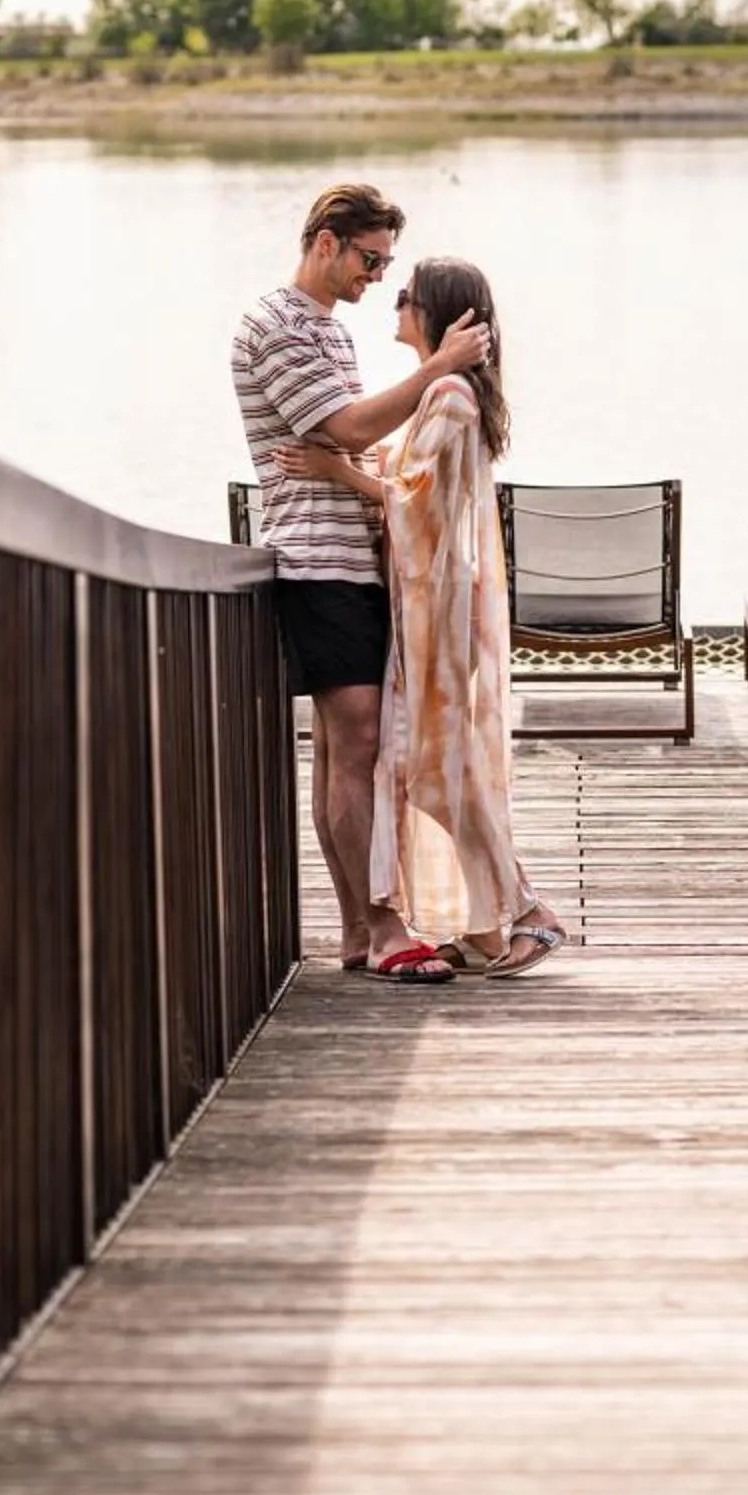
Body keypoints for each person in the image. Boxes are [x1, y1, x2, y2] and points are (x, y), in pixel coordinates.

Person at [279, 257, 568, 977]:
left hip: (438, 616)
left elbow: (418, 504)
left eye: (404, 294)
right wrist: (369, 465)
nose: (393, 302)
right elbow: (420, 486)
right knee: (434, 768)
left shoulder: (447, 394)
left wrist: (337, 471)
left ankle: (529, 910)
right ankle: (495, 919)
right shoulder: (445, 393)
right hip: (430, 609)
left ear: (438, 314)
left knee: (431, 768)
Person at [231, 185, 489, 985]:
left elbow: (350, 445)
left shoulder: (329, 336)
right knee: (361, 747)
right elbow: (346, 429)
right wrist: (440, 367)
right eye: (370, 260)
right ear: (325, 243)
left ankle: (356, 931)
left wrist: (355, 470)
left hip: (354, 559)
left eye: (387, 264)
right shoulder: (278, 328)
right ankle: (382, 926)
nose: (378, 278)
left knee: (345, 752)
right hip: (315, 561)